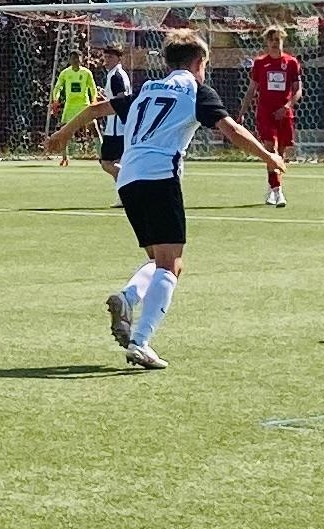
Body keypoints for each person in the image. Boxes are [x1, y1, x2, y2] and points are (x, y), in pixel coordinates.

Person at [45, 29, 287, 370]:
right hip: (159, 177)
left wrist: (62, 133)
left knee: (160, 260)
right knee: (171, 265)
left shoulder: (147, 89)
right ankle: (140, 342)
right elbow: (232, 130)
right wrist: (268, 157)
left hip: (128, 179)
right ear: (199, 62)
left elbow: (97, 109)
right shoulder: (196, 90)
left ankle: (128, 298)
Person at [240, 25, 302, 207]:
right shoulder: (260, 63)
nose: (275, 43)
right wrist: (242, 112)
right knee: (270, 149)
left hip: (283, 113)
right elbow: (252, 89)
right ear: (267, 42)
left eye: (278, 39)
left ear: (282, 41)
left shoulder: (291, 63)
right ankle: (278, 192)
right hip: (265, 113)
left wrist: (287, 106)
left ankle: (271, 188)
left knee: (280, 154)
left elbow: (298, 90)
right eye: (271, 40)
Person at [48, 49, 98, 167]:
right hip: (70, 106)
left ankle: (102, 155)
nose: (75, 60)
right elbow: (58, 87)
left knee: (94, 128)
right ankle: (64, 158)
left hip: (84, 105)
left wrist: (94, 100)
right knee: (63, 131)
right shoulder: (65, 73)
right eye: (73, 58)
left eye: (77, 58)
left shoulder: (86, 73)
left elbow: (93, 88)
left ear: (81, 59)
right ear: (70, 60)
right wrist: (55, 99)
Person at [97, 44, 131, 204]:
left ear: (118, 58)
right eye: (105, 57)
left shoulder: (116, 75)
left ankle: (129, 182)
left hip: (117, 127)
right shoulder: (116, 74)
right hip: (117, 126)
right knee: (115, 162)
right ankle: (123, 196)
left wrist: (105, 104)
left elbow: (121, 98)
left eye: (110, 57)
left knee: (106, 163)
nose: (107, 60)